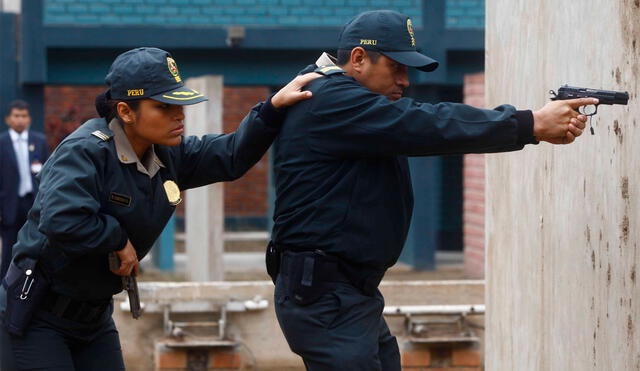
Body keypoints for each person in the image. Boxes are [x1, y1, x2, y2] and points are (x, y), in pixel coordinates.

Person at [267, 10, 597, 371]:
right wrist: (530, 123)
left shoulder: (339, 99)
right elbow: (426, 124)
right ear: (359, 58)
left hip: (345, 292)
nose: (405, 81)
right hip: (326, 293)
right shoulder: (332, 98)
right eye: (397, 67)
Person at [0, 47, 318, 370]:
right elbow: (61, 218)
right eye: (163, 107)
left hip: (93, 318)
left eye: (179, 104)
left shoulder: (168, 154)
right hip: (38, 315)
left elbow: (231, 155)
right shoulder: (85, 152)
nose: (178, 115)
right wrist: (117, 241)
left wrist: (273, 109)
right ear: (125, 111)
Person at [0, 100, 49, 278]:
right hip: (9, 205)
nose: (20, 120)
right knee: (8, 251)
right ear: (8, 119)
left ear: (29, 119)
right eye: (16, 116)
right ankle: (5, 293)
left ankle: (30, 286)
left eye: (24, 116)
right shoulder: (2, 143)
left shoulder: (39, 141)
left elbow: (47, 173)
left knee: (35, 247)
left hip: (33, 203)